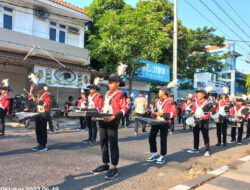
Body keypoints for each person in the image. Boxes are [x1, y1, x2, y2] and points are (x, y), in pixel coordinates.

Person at [92, 73, 127, 180]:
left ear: (117, 83)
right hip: (103, 120)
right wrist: (97, 116)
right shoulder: (107, 93)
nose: (110, 85)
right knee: (103, 142)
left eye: (112, 83)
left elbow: (124, 109)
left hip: (112, 121)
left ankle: (114, 167)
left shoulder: (121, 94)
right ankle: (105, 164)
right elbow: (103, 107)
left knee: (113, 144)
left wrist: (114, 117)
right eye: (109, 83)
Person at [147, 86, 177, 164]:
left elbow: (174, 113)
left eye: (159, 91)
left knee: (163, 139)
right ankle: (155, 154)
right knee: (151, 137)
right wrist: (153, 112)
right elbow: (157, 110)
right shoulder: (158, 101)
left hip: (165, 122)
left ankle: (162, 155)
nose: (158, 92)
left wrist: (163, 114)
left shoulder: (171, 101)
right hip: (156, 121)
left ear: (164, 92)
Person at [28, 77, 52, 152]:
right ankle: (39, 143)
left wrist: (38, 101)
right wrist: (30, 91)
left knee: (43, 129)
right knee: (37, 129)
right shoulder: (39, 94)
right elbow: (30, 98)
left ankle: (43, 145)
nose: (37, 92)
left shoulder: (48, 95)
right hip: (38, 113)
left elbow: (46, 104)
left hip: (44, 114)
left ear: (42, 89)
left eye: (38, 90)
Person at [187, 89, 213, 157]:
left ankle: (207, 150)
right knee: (195, 135)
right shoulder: (195, 102)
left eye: (199, 94)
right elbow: (192, 110)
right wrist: (192, 114)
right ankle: (196, 148)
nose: (198, 95)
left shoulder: (208, 103)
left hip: (204, 121)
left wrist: (206, 116)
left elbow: (212, 112)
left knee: (205, 136)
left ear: (203, 95)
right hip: (196, 121)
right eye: (197, 94)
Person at [84, 78, 103, 145]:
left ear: (95, 89)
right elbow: (88, 104)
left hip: (94, 111)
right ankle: (89, 137)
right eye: (90, 88)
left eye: (92, 88)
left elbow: (100, 105)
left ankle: (94, 139)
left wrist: (95, 110)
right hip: (89, 111)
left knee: (93, 125)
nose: (90, 90)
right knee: (88, 125)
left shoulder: (99, 96)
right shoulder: (89, 96)